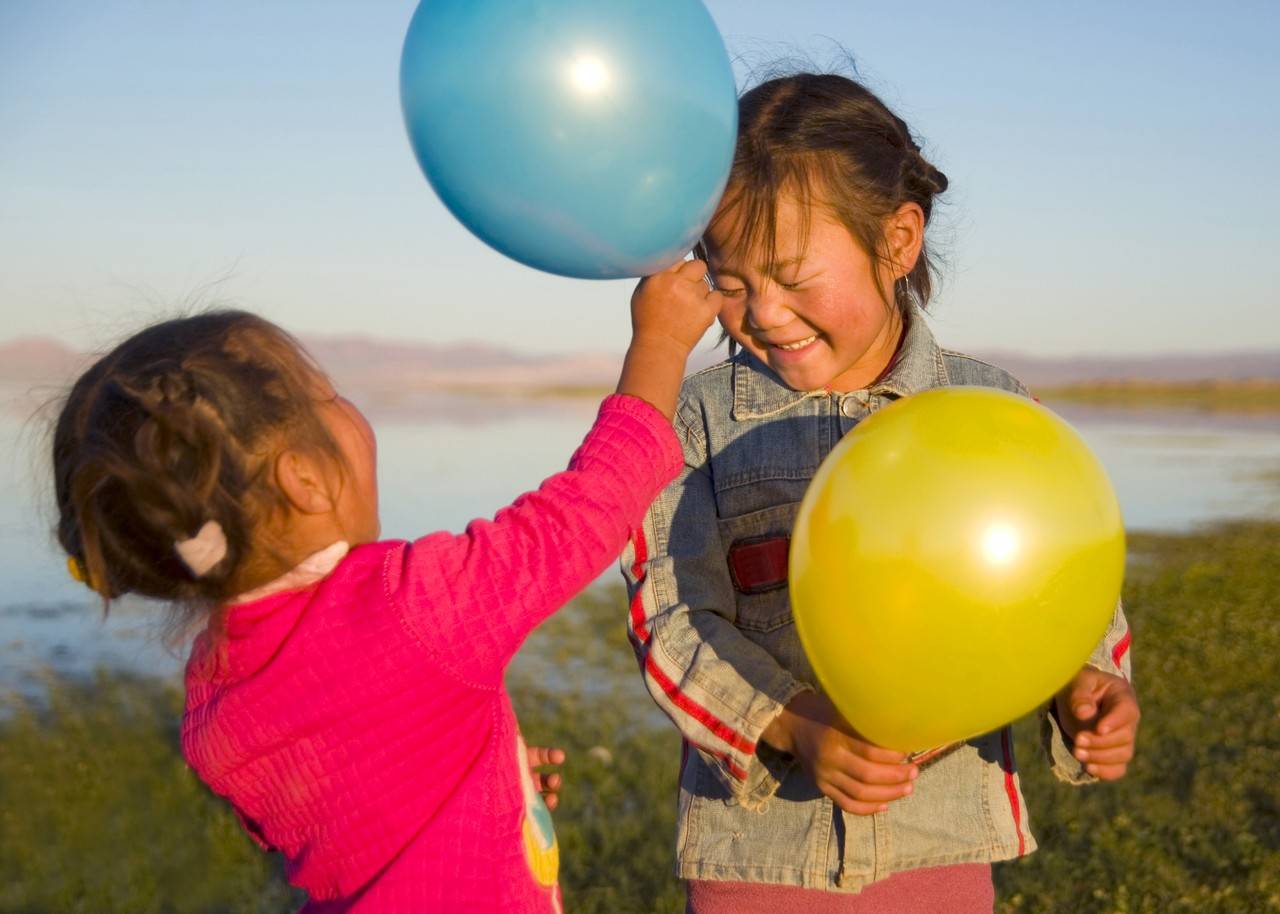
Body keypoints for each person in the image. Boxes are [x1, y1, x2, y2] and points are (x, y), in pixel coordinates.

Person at [622, 71, 1141, 914]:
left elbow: (1066, 584)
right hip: (758, 861)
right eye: (732, 280)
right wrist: (792, 721)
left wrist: (1090, 687)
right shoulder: (696, 423)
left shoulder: (997, 415)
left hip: (940, 845)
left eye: (792, 276)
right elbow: (670, 618)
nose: (763, 312)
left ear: (898, 241)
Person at [51, 261, 721, 913]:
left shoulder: (212, 690)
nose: (348, 405)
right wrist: (659, 342)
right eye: (330, 396)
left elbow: (340, 805)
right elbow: (589, 509)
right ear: (304, 481)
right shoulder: (412, 605)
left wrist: (486, 779)